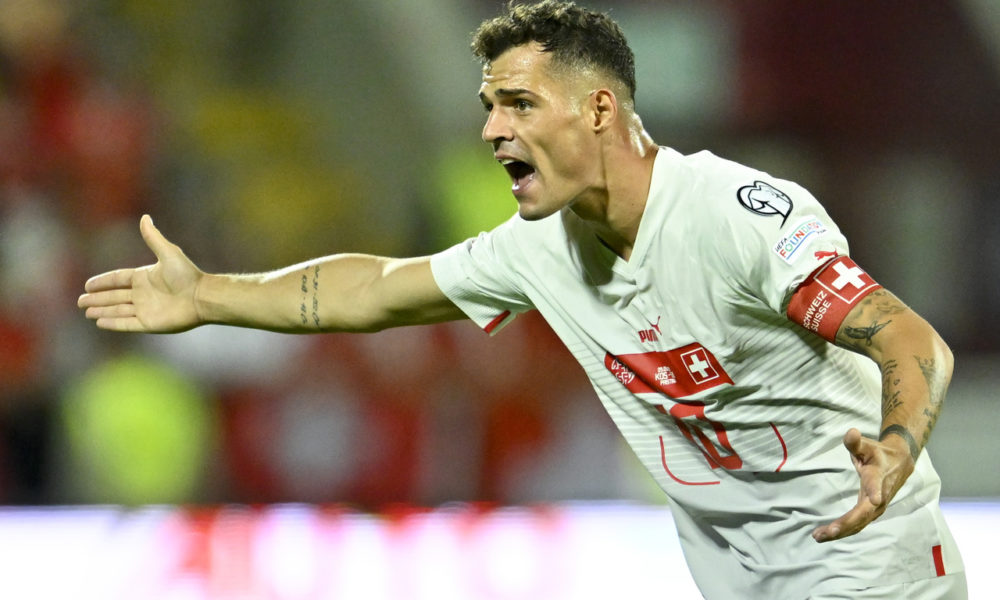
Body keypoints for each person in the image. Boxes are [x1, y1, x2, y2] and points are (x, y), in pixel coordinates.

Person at [78, 1, 966, 598]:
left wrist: (894, 448)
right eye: (489, 106)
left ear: (599, 111)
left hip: (868, 569)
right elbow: (376, 290)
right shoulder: (538, 249)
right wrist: (211, 294)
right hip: (748, 581)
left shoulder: (735, 217)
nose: (492, 129)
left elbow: (911, 340)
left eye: (519, 105)